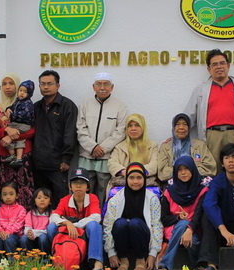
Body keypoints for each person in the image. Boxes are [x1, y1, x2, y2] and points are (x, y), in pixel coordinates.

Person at [184, 49, 234, 171]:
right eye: (214, 64)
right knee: (212, 172)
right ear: (209, 69)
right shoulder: (200, 90)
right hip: (211, 137)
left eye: (222, 63)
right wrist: (177, 133)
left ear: (228, 66)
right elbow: (188, 116)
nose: (219, 67)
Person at [77, 72, 128, 206]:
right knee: (85, 188)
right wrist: (93, 147)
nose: (102, 87)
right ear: (93, 87)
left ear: (112, 87)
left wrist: (103, 148)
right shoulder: (85, 104)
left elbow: (121, 131)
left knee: (103, 190)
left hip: (106, 156)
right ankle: (85, 218)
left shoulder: (120, 106)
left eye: (106, 84)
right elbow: (80, 129)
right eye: (99, 84)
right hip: (86, 155)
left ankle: (100, 218)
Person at [103, 162, 163, 270]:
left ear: (144, 179)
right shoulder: (116, 199)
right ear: (126, 179)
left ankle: (140, 260)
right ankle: (124, 260)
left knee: (135, 223)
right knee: (120, 223)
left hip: (142, 239)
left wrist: (153, 253)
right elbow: (108, 225)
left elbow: (157, 225)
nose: (135, 181)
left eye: (139, 178)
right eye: (131, 178)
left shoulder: (152, 199)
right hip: (122, 240)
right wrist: (111, 252)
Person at [33, 70, 78, 209]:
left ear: (58, 85)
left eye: (49, 84)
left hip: (58, 164)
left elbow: (70, 134)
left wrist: (66, 158)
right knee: (41, 202)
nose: (46, 87)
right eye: (42, 84)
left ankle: (59, 228)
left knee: (60, 201)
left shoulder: (67, 106)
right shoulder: (36, 107)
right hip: (38, 163)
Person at [156, 156, 208, 270]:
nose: (183, 173)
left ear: (193, 170)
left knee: (193, 240)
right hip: (173, 229)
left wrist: (190, 228)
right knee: (183, 225)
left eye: (186, 169)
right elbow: (164, 218)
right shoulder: (170, 192)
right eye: (179, 170)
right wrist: (178, 218)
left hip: (194, 230)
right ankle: (169, 264)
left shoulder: (202, 191)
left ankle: (165, 263)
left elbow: (199, 215)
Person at [47, 168, 105, 270]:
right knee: (51, 227)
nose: (78, 186)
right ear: (70, 186)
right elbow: (53, 217)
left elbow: (96, 217)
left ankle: (97, 264)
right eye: (75, 183)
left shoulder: (92, 198)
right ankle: (57, 260)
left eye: (82, 183)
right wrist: (67, 223)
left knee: (94, 226)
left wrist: (75, 225)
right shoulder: (65, 200)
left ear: (87, 187)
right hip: (69, 235)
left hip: (84, 234)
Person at [0, 73, 35, 210]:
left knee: (24, 189)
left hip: (23, 154)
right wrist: (5, 132)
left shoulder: (27, 106)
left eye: (11, 83)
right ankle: (4, 226)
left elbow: (32, 130)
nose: (7, 87)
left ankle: (24, 225)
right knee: (5, 190)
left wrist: (11, 135)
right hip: (4, 155)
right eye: (4, 84)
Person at [157, 113, 216, 183]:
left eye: (185, 124)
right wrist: (183, 173)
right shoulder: (166, 147)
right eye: (178, 124)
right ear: (173, 128)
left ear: (189, 127)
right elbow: (162, 172)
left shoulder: (200, 145)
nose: (181, 127)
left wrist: (189, 172)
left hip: (197, 183)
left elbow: (210, 167)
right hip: (174, 185)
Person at [108, 113, 159, 190]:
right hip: (122, 184)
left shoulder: (152, 145)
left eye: (137, 125)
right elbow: (112, 163)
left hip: (146, 184)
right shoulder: (119, 146)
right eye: (130, 126)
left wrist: (138, 172)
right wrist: (125, 172)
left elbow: (154, 164)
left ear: (143, 127)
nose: (133, 128)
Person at [3, 80, 35, 168]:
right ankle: (12, 155)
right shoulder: (18, 101)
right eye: (20, 90)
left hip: (23, 125)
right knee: (10, 136)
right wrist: (8, 109)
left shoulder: (28, 103)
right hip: (16, 124)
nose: (22, 93)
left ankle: (18, 158)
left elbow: (24, 115)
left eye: (25, 92)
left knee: (19, 140)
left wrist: (12, 114)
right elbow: (12, 107)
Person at [0, 181, 27, 254]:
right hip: (2, 233)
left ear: (17, 195)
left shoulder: (21, 209)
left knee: (9, 239)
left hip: (15, 235)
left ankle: (12, 261)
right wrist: (0, 231)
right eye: (5, 194)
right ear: (1, 197)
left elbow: (19, 224)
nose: (8, 197)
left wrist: (8, 232)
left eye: (11, 194)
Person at [20, 188, 52, 254]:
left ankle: (44, 258)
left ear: (50, 201)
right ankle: (28, 259)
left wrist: (35, 233)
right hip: (32, 238)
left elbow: (49, 231)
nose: (42, 200)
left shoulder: (52, 214)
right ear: (34, 200)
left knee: (43, 238)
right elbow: (27, 228)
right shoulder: (30, 214)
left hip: (44, 240)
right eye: (39, 198)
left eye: (45, 198)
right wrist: (29, 233)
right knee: (24, 238)